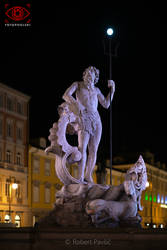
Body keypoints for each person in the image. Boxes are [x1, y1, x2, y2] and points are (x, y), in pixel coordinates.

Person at [63, 66, 115, 183]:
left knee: (94, 150)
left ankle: (88, 175)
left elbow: (106, 104)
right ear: (84, 75)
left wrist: (112, 90)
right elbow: (66, 95)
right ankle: (80, 176)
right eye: (88, 74)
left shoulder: (96, 90)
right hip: (84, 118)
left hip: (96, 120)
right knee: (82, 148)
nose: (89, 77)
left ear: (95, 78)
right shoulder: (78, 85)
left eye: (92, 75)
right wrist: (77, 105)